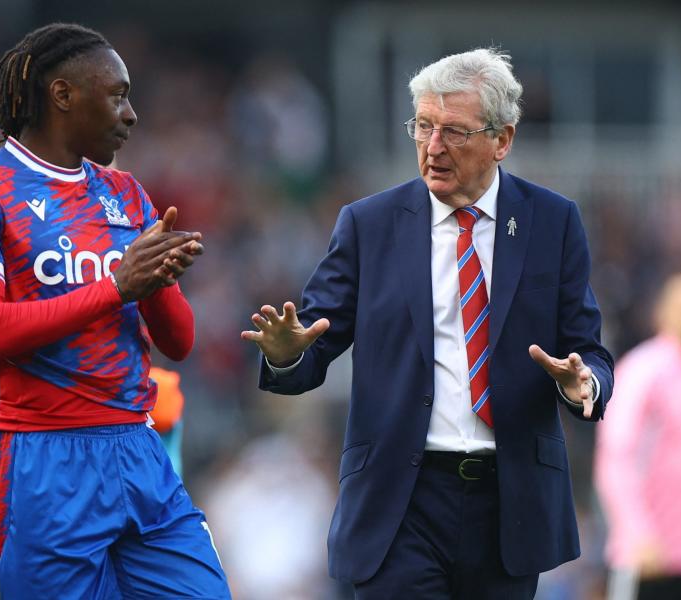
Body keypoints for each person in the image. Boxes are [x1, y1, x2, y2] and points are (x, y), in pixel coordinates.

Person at [241, 48, 614, 599]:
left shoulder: (551, 221)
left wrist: (584, 383)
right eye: (423, 126)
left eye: (455, 132)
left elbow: (587, 348)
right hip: (400, 501)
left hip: (509, 503)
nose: (433, 147)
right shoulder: (368, 224)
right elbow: (311, 348)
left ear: (502, 140)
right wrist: (285, 352)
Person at [0, 23, 229, 599]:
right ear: (63, 95)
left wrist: (156, 281)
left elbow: (181, 340)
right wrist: (118, 286)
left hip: (139, 451)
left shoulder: (125, 193)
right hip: (43, 463)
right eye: (118, 94)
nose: (132, 114)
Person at [595, 273, 681, 600]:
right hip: (652, 557)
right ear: (664, 312)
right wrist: (637, 533)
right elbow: (616, 459)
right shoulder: (643, 370)